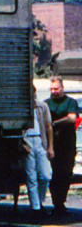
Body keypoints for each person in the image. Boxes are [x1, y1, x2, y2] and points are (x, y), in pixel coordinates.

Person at [45, 77, 79, 216]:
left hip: (67, 145)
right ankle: (56, 203)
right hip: (52, 144)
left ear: (62, 88)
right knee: (53, 175)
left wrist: (55, 123)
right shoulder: (47, 103)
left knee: (65, 174)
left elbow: (72, 118)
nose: (54, 92)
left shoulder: (70, 102)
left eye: (56, 89)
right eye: (52, 89)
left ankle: (61, 202)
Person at [24, 86, 54, 215]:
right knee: (31, 176)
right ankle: (35, 207)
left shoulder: (42, 107)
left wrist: (50, 146)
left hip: (40, 140)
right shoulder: (21, 108)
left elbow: (49, 127)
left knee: (46, 175)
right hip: (27, 141)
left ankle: (40, 201)